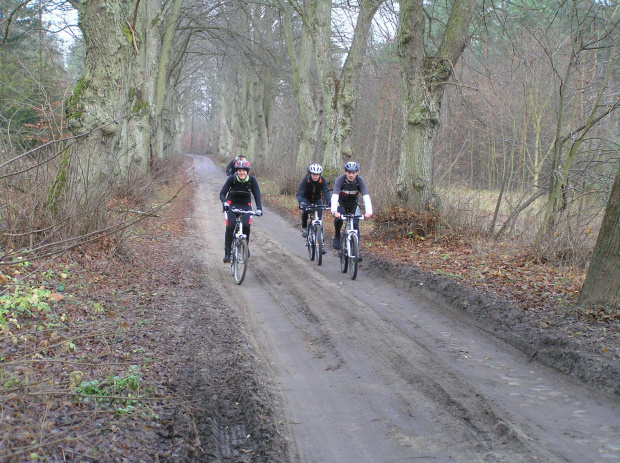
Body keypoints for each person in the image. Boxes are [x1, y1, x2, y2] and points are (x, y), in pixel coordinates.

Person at [219, 159, 263, 263]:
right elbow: (222, 193)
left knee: (246, 226)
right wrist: (224, 202)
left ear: (247, 171)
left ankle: (245, 247)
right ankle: (227, 254)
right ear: (236, 171)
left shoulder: (252, 180)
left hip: (246, 205)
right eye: (239, 170)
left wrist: (259, 208)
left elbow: (257, 194)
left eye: (244, 170)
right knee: (230, 226)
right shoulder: (232, 179)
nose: (241, 172)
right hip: (232, 205)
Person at [330, 161, 373, 260]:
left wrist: (369, 211)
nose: (351, 175)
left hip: (353, 204)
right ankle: (337, 234)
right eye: (349, 172)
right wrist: (333, 211)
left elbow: (366, 195)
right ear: (345, 172)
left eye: (353, 173)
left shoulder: (360, 181)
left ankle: (355, 250)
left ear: (356, 173)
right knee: (339, 219)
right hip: (341, 203)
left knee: (356, 223)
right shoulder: (340, 180)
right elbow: (335, 195)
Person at [296, 163, 330, 254]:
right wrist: (301, 202)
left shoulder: (322, 181)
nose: (315, 176)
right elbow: (299, 193)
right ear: (310, 174)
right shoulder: (306, 180)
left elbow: (326, 192)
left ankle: (321, 243)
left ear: (320, 174)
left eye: (317, 174)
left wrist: (329, 202)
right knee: (306, 211)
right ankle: (304, 227)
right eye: (313, 174)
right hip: (306, 199)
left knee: (320, 220)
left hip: (317, 200)